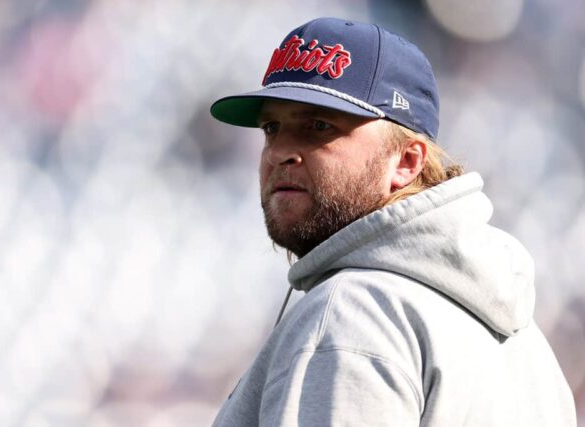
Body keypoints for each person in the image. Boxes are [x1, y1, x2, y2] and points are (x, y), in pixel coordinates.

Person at [208, 17, 576, 426]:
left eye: (318, 126)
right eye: (271, 128)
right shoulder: (525, 343)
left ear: (406, 162)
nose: (279, 151)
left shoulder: (352, 311)